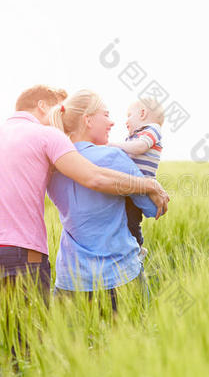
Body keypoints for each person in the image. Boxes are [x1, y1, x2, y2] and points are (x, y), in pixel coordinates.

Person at [0, 85, 169, 368]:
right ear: (43, 106)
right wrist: (148, 182)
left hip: (7, 265)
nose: (112, 121)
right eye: (106, 114)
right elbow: (107, 185)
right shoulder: (60, 144)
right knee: (39, 357)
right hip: (67, 265)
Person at [47, 90, 156, 309]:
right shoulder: (113, 157)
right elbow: (153, 208)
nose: (112, 122)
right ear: (88, 120)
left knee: (72, 344)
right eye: (106, 115)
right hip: (119, 277)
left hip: (69, 280)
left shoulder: (54, 168)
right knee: (132, 341)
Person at [108, 98, 164, 262]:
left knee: (132, 221)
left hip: (140, 186)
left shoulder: (152, 129)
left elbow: (140, 147)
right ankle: (128, 248)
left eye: (129, 115)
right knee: (123, 219)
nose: (126, 121)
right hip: (129, 186)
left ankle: (137, 248)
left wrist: (114, 146)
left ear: (142, 113)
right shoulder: (132, 137)